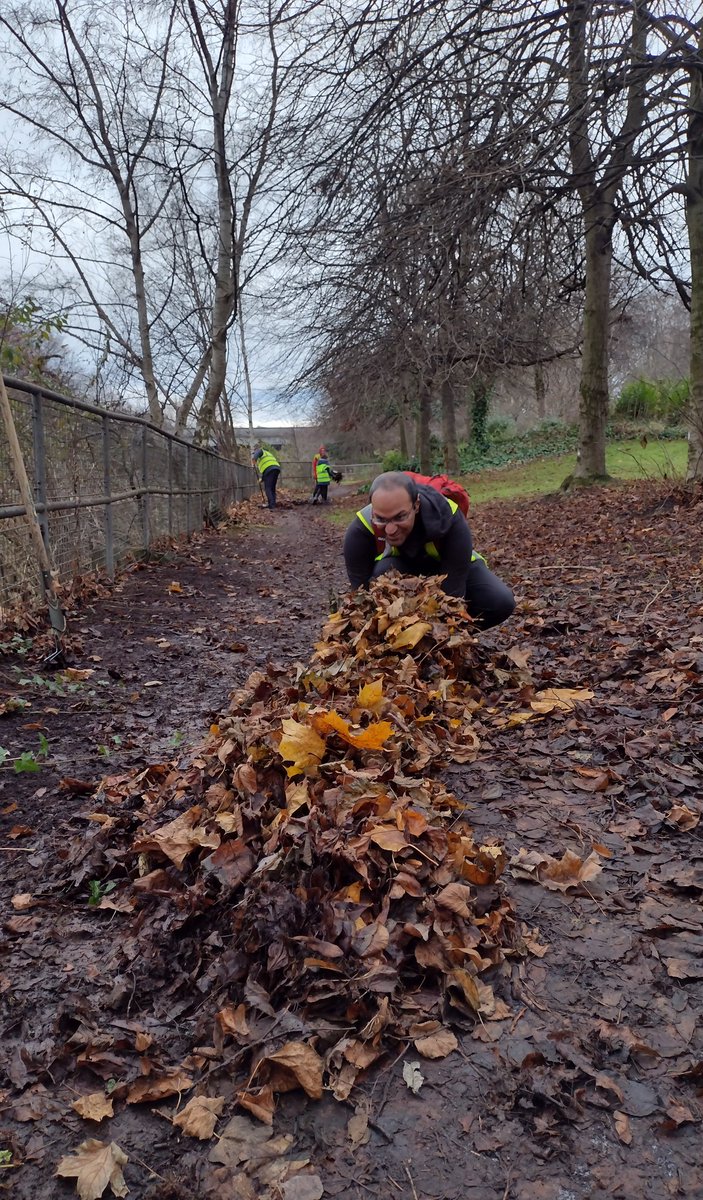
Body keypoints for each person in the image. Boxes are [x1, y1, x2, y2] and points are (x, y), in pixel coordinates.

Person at [343, 471, 514, 630]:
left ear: (416, 505)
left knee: (500, 601)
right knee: (382, 575)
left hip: (449, 568)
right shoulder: (360, 530)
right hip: (400, 567)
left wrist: (443, 634)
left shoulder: (449, 518)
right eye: (381, 519)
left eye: (400, 517)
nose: (390, 530)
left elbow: (453, 596)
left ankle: (457, 636)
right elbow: (361, 598)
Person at [252, 445, 281, 510]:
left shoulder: (260, 451)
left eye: (254, 453)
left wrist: (254, 459)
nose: (254, 454)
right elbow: (266, 470)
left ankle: (271, 506)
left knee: (268, 488)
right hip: (276, 469)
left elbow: (258, 452)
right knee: (272, 488)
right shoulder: (267, 454)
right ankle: (273, 504)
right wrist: (262, 479)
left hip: (270, 469)